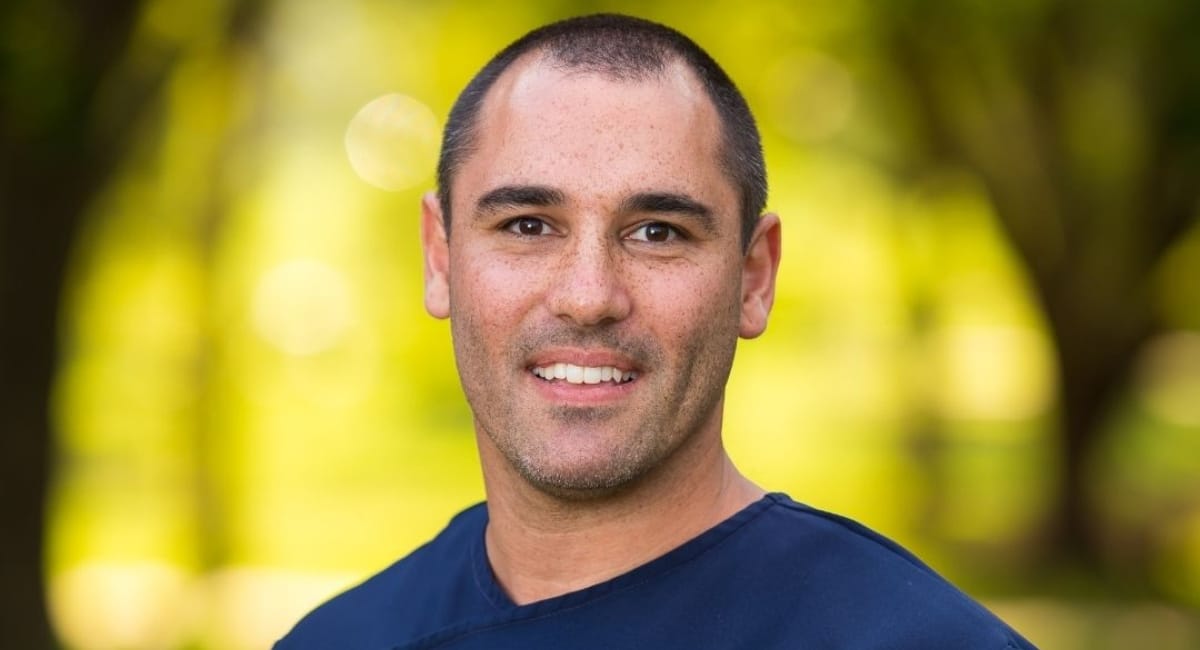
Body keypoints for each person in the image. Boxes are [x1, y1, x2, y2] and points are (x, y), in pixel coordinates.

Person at [276, 13, 1035, 649]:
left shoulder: (909, 640)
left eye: (657, 233)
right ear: (441, 258)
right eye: (529, 224)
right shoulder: (343, 640)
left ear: (753, 278)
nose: (587, 296)